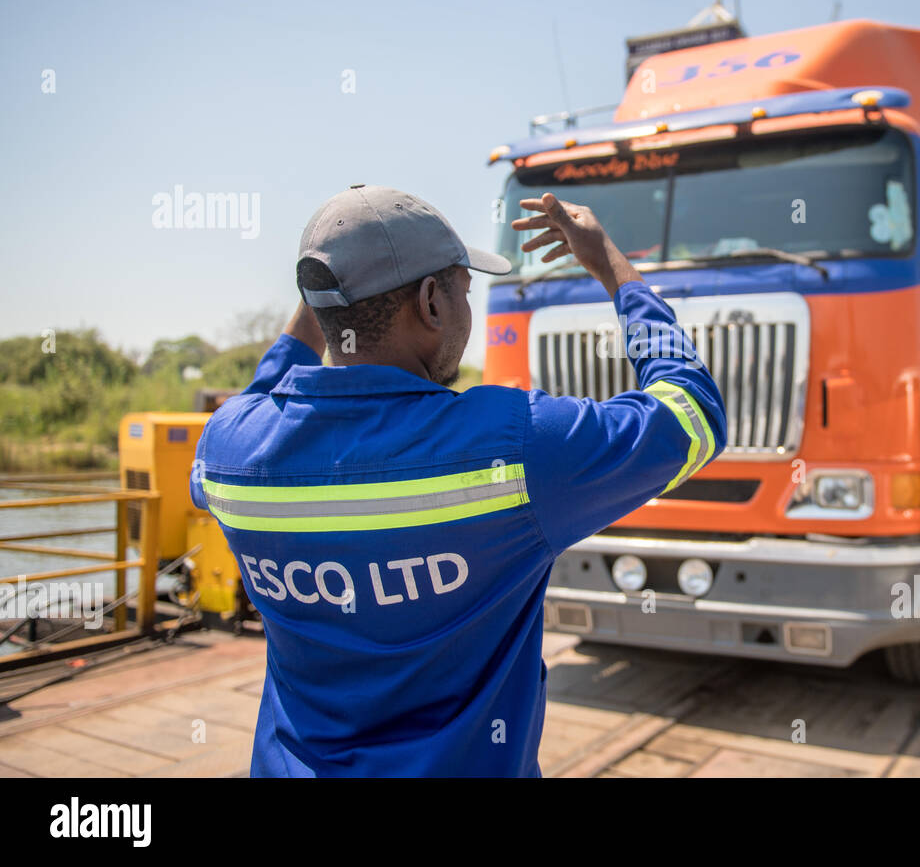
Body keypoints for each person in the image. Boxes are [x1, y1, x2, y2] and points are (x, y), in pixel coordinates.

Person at [189, 184, 725, 776]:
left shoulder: (230, 451)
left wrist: (324, 301)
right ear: (431, 303)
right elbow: (692, 416)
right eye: (463, 291)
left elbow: (265, 392)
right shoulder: (515, 448)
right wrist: (612, 268)